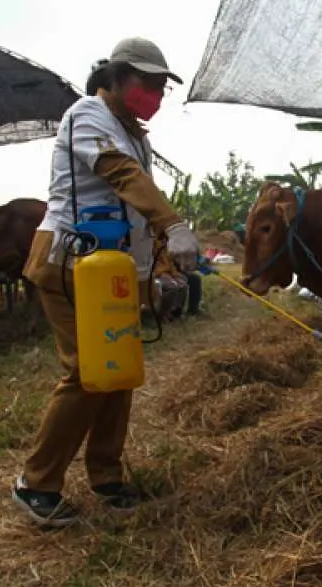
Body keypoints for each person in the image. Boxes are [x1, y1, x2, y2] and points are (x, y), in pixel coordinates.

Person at [12, 37, 200, 528]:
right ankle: (36, 485)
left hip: (112, 271)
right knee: (86, 373)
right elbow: (120, 177)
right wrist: (173, 224)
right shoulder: (86, 116)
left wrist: (155, 273)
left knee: (118, 368)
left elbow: (135, 211)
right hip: (69, 261)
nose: (154, 94)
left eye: (161, 87)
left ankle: (107, 476)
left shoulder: (135, 134)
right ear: (114, 78)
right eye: (146, 83)